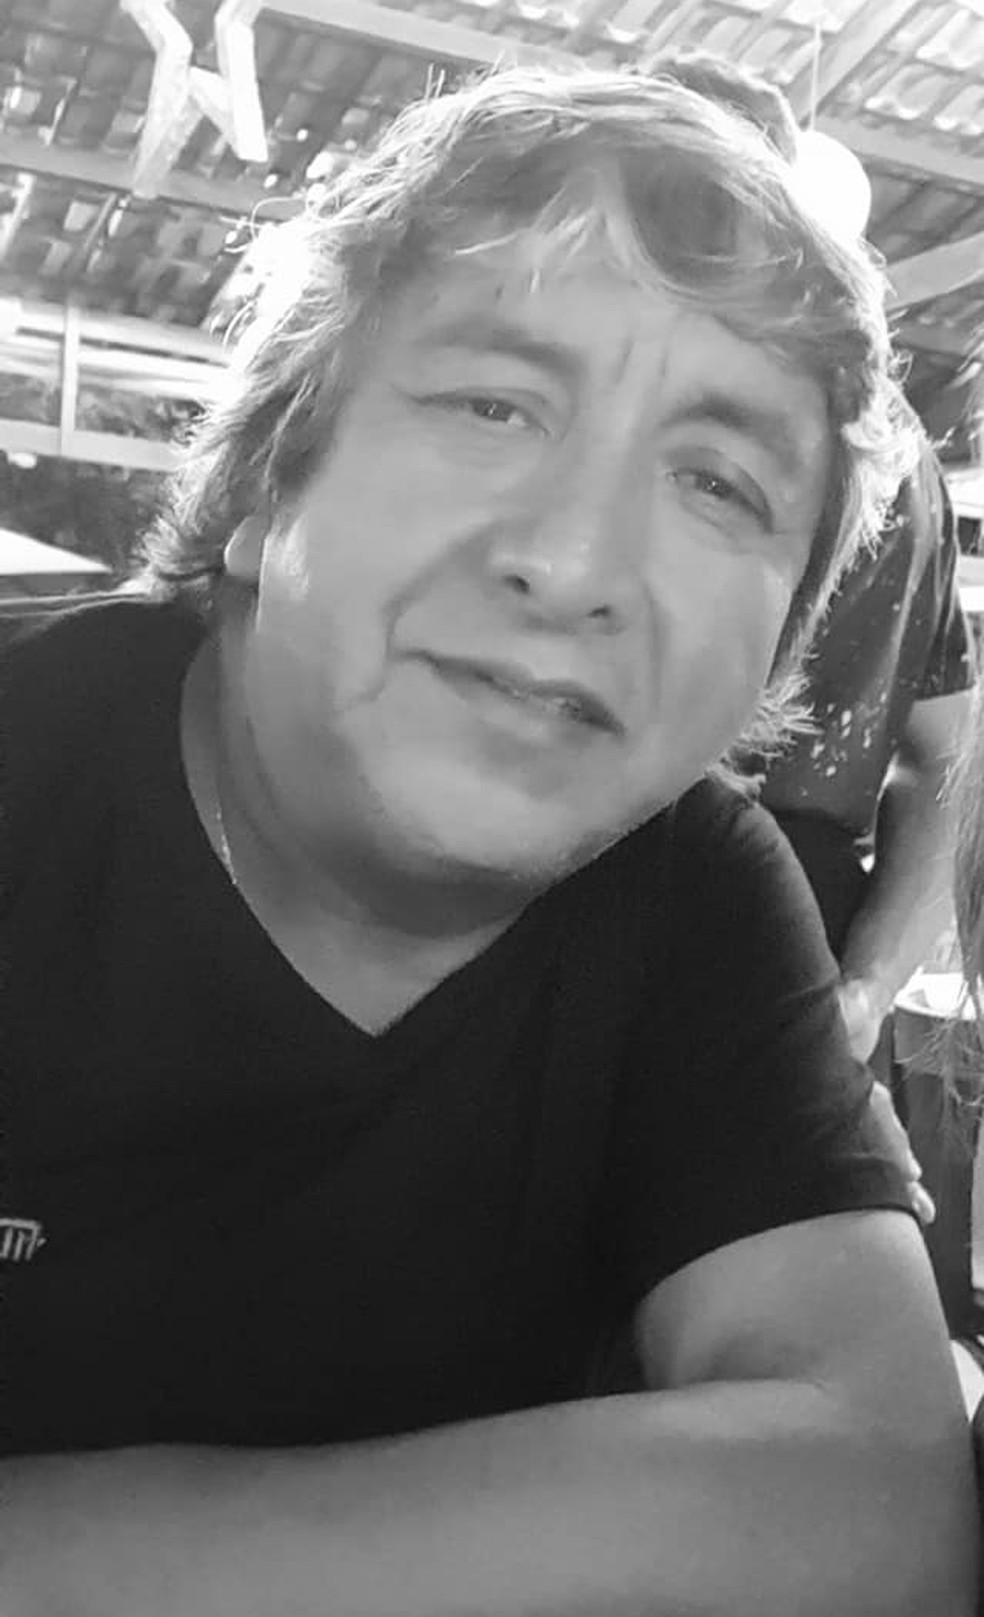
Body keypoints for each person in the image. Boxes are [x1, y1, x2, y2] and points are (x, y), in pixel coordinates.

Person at [1, 60, 977, 1617]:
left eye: (719, 483)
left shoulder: (691, 892)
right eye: (490, 404)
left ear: (768, 661)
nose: (577, 561)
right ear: (268, 487)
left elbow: (881, 1489)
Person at [656, 51, 975, 1076]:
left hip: (640, 898)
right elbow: (953, 762)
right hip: (812, 941)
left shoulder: (659, 403)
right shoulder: (900, 447)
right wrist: (866, 992)